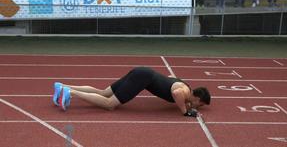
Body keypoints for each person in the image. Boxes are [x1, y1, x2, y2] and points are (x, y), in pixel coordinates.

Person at [53, 67, 211, 117]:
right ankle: (70, 92)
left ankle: (62, 86)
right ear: (196, 97)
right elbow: (176, 93)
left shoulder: (185, 85)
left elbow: (170, 78)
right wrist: (185, 111)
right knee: (109, 104)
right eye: (200, 104)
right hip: (142, 77)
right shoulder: (183, 91)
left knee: (104, 93)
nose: (198, 106)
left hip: (141, 72)